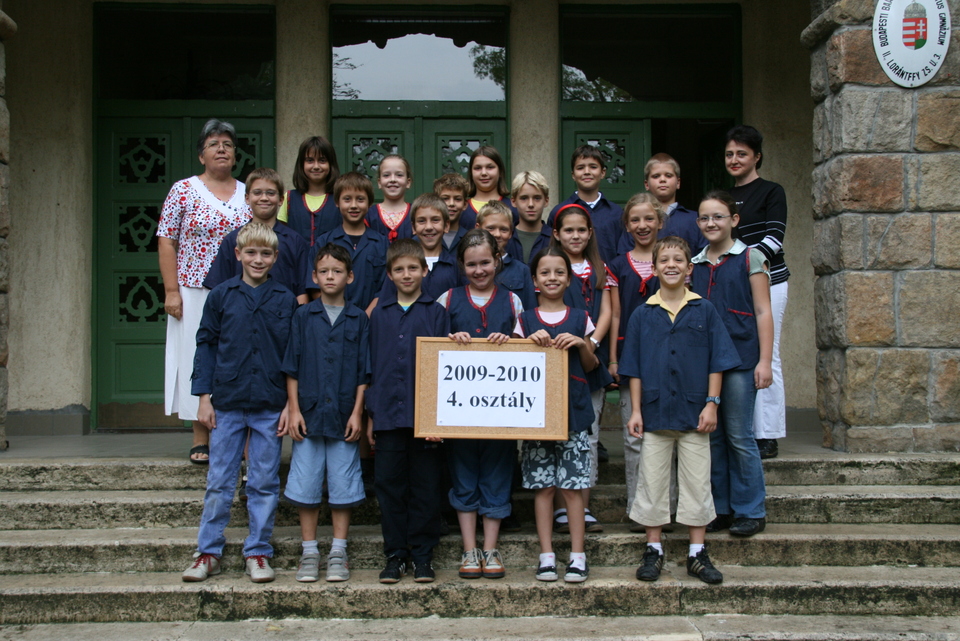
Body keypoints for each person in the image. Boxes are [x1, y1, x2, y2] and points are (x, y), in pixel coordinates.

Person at [181, 222, 298, 584]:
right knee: (219, 480)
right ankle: (208, 551)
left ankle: (258, 551)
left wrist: (290, 405)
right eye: (251, 252)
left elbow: (293, 355)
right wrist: (204, 398)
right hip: (227, 403)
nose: (257, 259)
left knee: (263, 482)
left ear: (275, 257)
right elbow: (206, 345)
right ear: (237, 254)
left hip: (269, 403)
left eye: (265, 254)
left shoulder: (285, 299)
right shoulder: (221, 295)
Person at [620, 236, 740, 585]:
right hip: (655, 413)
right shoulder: (642, 314)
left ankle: (696, 552)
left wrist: (712, 404)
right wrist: (636, 411)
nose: (671, 265)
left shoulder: (705, 310)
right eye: (664, 260)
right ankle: (653, 548)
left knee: (697, 482)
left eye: (678, 260)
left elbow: (717, 361)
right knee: (651, 481)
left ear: (689, 269)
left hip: (694, 413)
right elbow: (635, 368)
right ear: (654, 268)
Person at [158, 118, 251, 464]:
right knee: (198, 356)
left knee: (239, 356)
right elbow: (166, 241)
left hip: (242, 289)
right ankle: (200, 436)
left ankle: (239, 436)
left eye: (227, 144)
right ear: (201, 155)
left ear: (235, 154)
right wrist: (172, 290)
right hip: (194, 288)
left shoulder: (249, 192)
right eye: (213, 144)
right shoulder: (183, 190)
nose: (221, 149)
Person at [437, 229, 524, 580]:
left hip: (501, 411)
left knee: (497, 473)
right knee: (462, 473)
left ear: (497, 260)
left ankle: (490, 547)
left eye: (485, 262)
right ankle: (469, 548)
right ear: (461, 265)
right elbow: (432, 349)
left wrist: (511, 341)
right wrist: (449, 338)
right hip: (459, 411)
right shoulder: (448, 299)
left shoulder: (513, 301)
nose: (479, 270)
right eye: (471, 264)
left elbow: (527, 352)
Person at [282, 243, 369, 583]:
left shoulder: (358, 318)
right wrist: (293, 409)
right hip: (309, 412)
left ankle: (338, 550)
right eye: (323, 271)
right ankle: (309, 551)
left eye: (337, 271)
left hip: (344, 414)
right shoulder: (303, 316)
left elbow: (364, 371)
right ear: (314, 277)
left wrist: (358, 412)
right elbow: (292, 366)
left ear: (350, 276)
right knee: (305, 483)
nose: (330, 276)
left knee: (343, 484)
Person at [367, 239, 450, 584]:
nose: (406, 274)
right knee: (389, 488)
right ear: (389, 274)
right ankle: (395, 555)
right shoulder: (378, 315)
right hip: (387, 416)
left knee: (426, 488)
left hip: (424, 419)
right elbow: (370, 367)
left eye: (413, 268)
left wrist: (438, 417)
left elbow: (445, 369)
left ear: (425, 271)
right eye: (399, 269)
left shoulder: (437, 313)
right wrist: (371, 415)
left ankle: (422, 556)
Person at [514, 246, 598, 583]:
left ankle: (578, 555)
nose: (552, 278)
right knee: (543, 488)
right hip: (536, 418)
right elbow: (512, 368)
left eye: (559, 272)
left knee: (573, 488)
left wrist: (580, 344)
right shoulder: (525, 320)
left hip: (574, 415)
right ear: (535, 280)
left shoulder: (581, 317)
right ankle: (546, 555)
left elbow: (591, 366)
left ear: (569, 279)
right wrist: (525, 343)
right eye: (545, 273)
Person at [692, 191, 773, 538]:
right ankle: (721, 508)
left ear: (734, 220)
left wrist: (765, 361)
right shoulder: (694, 264)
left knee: (740, 435)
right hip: (706, 364)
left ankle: (750, 510)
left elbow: (763, 310)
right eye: (704, 218)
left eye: (718, 216)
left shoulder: (750, 258)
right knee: (713, 438)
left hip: (741, 359)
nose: (711, 223)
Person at [725, 125, 789, 459]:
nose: (734, 159)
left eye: (742, 154)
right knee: (738, 356)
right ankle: (742, 429)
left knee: (767, 354)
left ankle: (768, 434)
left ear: (756, 157)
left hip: (770, 281)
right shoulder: (724, 196)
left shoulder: (771, 192)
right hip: (734, 287)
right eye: (729, 154)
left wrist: (741, 263)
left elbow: (774, 239)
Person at [550, 204, 614, 534]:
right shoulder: (552, 268)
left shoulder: (601, 270)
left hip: (589, 359)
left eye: (581, 230)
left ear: (590, 234)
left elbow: (608, 313)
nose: (575, 236)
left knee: (587, 439)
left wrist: (593, 343)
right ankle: (561, 508)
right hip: (557, 360)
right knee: (558, 435)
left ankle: (583, 507)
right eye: (568, 230)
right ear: (557, 234)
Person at [606, 193, 665, 526]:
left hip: (667, 359)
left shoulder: (671, 259)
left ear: (660, 221)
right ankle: (637, 508)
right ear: (627, 225)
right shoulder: (617, 265)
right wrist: (614, 358)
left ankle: (664, 508)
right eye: (635, 220)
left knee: (666, 434)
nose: (642, 225)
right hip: (631, 359)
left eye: (649, 219)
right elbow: (615, 314)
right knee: (634, 436)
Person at [204, 167, 312, 305]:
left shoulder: (295, 241)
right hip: (238, 313)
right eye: (257, 192)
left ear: (281, 199)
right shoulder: (233, 240)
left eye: (270, 193)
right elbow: (218, 288)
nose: (264, 198)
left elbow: (302, 293)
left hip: (283, 314)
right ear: (247, 198)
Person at [315, 172, 389, 314]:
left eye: (360, 199)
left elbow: (385, 288)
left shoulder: (382, 243)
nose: (354, 205)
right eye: (347, 199)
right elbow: (314, 285)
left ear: (369, 203)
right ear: (337, 202)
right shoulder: (323, 242)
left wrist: (364, 318)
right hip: (331, 318)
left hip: (370, 319)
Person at [547, 145, 623, 263]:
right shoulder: (559, 211)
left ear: (603, 172)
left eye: (593, 167)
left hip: (609, 274)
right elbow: (551, 251)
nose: (587, 172)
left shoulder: (617, 213)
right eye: (580, 168)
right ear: (573, 175)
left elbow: (623, 254)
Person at [619, 154, 706, 256]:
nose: (662, 180)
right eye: (656, 176)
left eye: (668, 175)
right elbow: (625, 257)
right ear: (646, 184)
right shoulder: (636, 221)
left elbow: (704, 257)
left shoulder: (694, 219)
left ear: (678, 183)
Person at [277, 136, 341, 244]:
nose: (316, 166)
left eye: (322, 160)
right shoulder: (289, 198)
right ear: (301, 164)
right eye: (310, 160)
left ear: (331, 164)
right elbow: (282, 236)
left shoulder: (340, 198)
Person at [476, 201, 538, 311]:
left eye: (503, 229)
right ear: (478, 228)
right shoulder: (468, 267)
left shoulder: (522, 271)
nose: (497, 234)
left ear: (511, 233)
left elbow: (530, 312)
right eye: (491, 228)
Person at [461, 146, 518, 229]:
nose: (484, 173)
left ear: (500, 171)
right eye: (478, 168)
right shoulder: (461, 209)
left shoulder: (513, 208)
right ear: (471, 173)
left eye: (490, 167)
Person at [367, 155, 413, 242]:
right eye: (386, 175)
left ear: (408, 182)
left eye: (399, 175)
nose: (392, 179)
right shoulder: (369, 215)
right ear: (379, 182)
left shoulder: (416, 213)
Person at [510, 170, 551, 264]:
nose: (531, 204)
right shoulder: (505, 237)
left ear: (546, 201)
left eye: (537, 198)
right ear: (513, 201)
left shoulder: (555, 239)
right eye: (524, 198)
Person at [434, 173, 470, 255]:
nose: (451, 204)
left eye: (457, 199)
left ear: (465, 205)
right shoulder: (425, 237)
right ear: (436, 202)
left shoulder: (471, 239)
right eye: (445, 198)